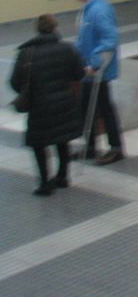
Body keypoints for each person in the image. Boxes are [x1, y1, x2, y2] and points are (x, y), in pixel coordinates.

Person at [10, 14, 84, 196]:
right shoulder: (68, 48)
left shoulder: (27, 53)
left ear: (37, 29)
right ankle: (63, 176)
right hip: (64, 103)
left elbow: (15, 82)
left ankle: (45, 183)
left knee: (39, 143)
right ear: (55, 27)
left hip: (39, 106)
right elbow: (79, 74)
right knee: (62, 139)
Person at [71, 0, 124, 165]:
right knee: (87, 107)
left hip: (97, 71)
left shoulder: (99, 10)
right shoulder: (89, 8)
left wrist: (94, 64)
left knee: (104, 108)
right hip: (88, 69)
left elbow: (109, 40)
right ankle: (91, 146)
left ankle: (116, 148)